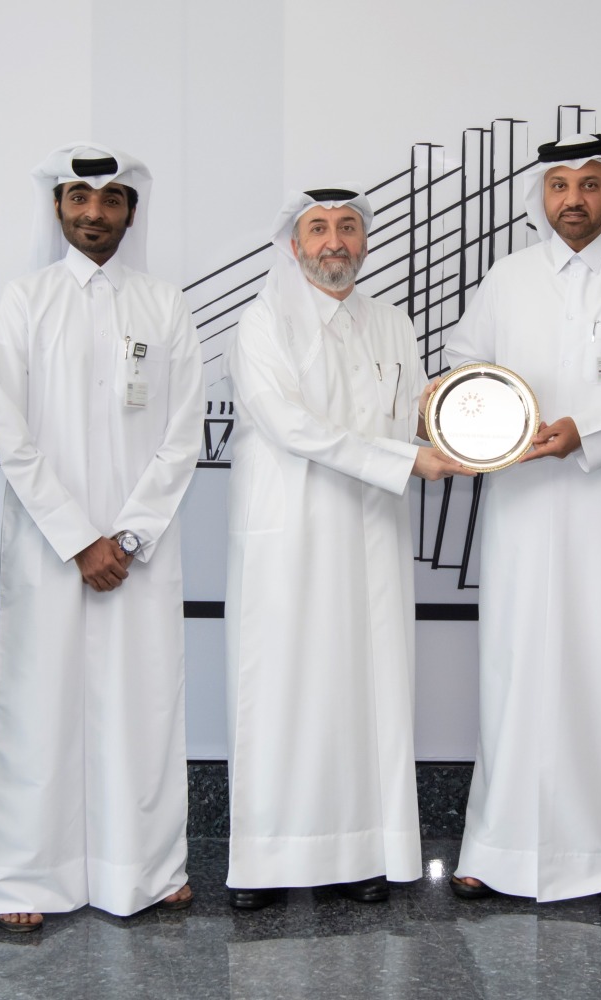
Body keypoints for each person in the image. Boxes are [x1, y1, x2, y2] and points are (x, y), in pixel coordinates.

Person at [445, 133, 601, 912]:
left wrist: (589, 429)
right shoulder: (509, 277)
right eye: (560, 185)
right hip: (525, 507)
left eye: (591, 184)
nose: (575, 200)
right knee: (519, 671)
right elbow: (464, 362)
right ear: (542, 196)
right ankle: (501, 846)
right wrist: (474, 412)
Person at [224, 188, 474, 910]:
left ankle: (361, 852)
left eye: (348, 229)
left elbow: (405, 415)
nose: (335, 241)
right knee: (284, 692)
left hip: (370, 533)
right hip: (291, 534)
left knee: (365, 693)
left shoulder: (392, 323)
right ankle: (267, 863)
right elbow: (288, 424)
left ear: (364, 243)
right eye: (319, 229)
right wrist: (404, 462)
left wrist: (449, 419)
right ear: (294, 244)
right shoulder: (261, 321)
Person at [0, 143, 204, 931]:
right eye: (79, 199)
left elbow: (183, 434)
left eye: (110, 202)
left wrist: (129, 536)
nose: (94, 215)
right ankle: (26, 878)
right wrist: (79, 539)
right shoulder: (24, 300)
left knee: (141, 703)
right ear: (57, 208)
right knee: (40, 706)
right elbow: (10, 429)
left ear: (130, 212)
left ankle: (142, 871)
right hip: (50, 545)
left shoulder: (164, 304)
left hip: (139, 550)